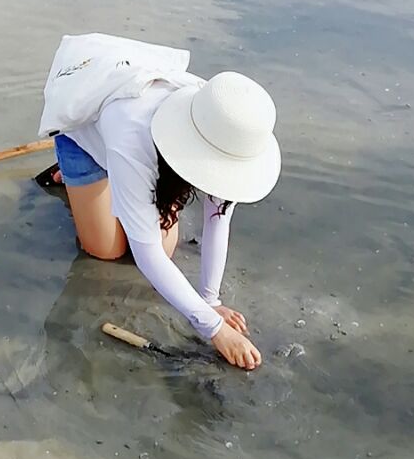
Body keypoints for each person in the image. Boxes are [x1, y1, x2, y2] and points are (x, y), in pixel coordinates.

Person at [37, 34, 281, 370]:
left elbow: (217, 216)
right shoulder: (132, 136)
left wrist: (210, 302)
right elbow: (145, 254)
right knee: (107, 249)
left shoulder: (227, 126)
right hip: (84, 112)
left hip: (132, 132)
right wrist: (213, 330)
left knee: (167, 245)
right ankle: (78, 168)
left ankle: (112, 185)